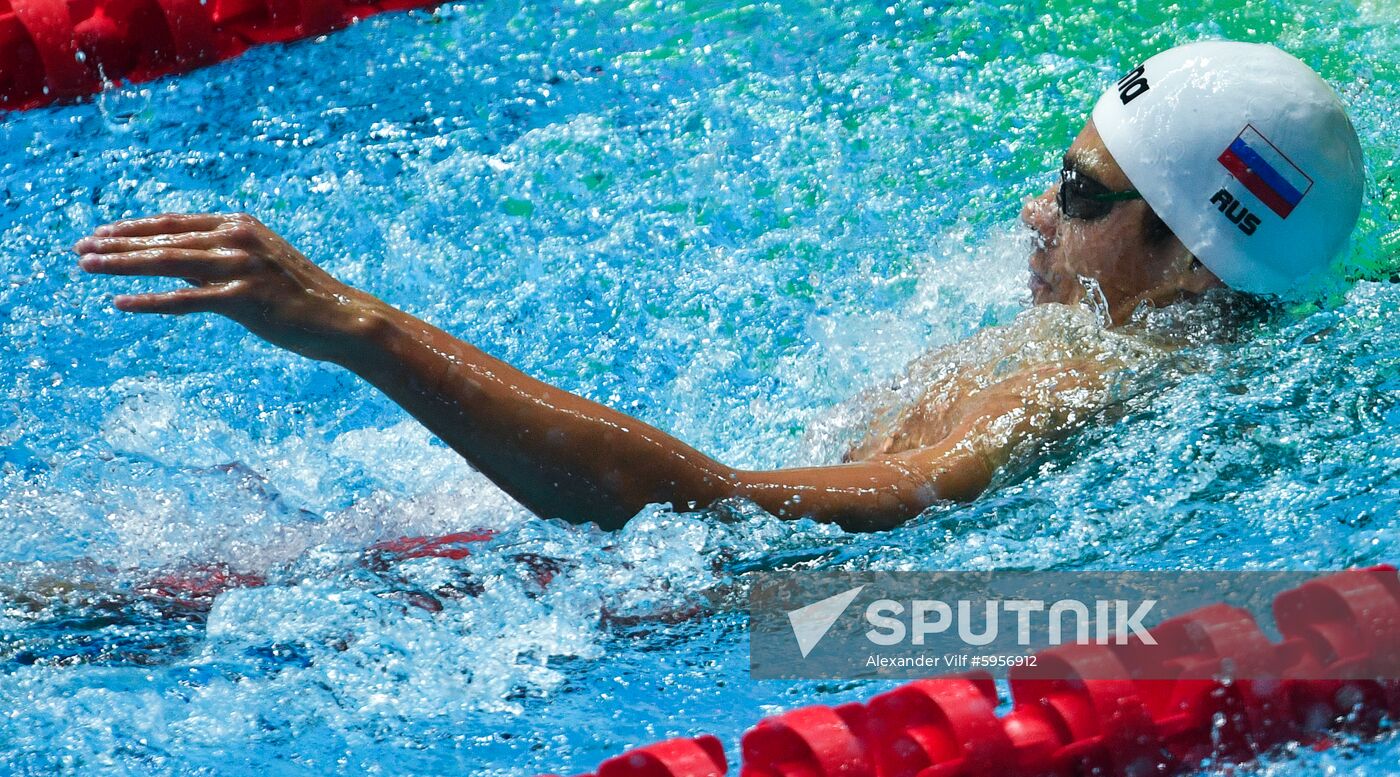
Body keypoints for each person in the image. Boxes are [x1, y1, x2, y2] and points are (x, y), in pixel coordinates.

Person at [73, 41, 1364, 533]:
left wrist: (360, 329)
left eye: (1083, 195)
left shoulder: (1089, 396)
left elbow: (713, 515)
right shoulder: (1133, 340)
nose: (1036, 209)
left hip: (640, 594)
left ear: (1196, 254)